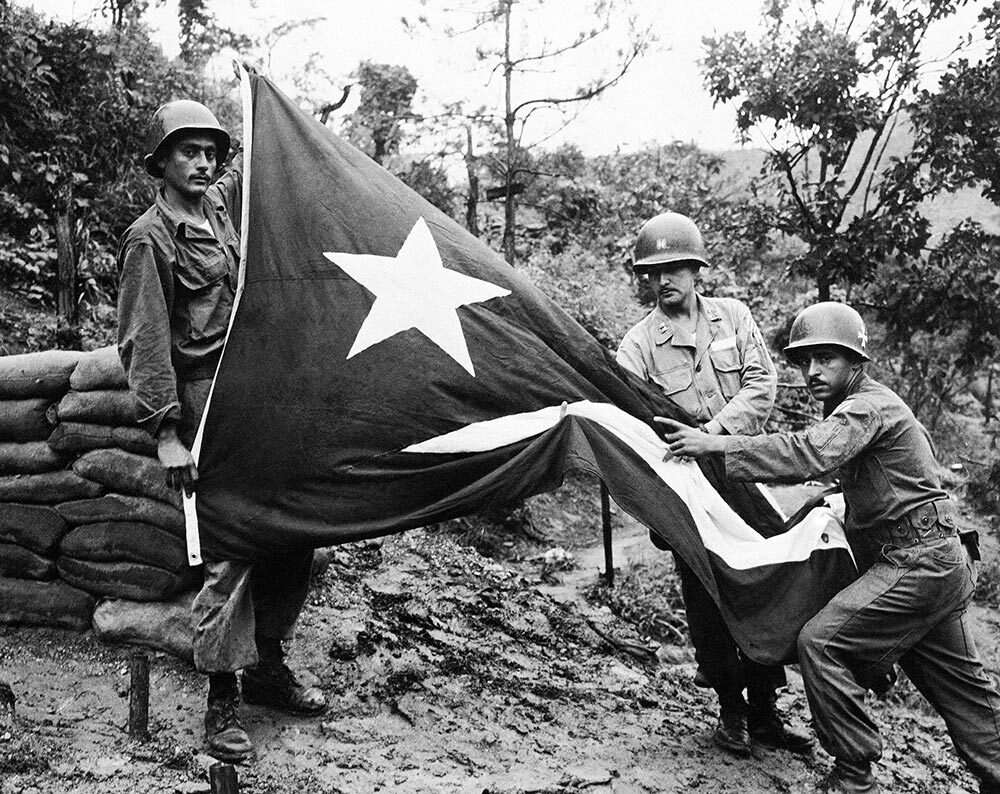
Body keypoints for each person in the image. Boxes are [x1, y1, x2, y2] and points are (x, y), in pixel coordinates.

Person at [658, 301, 1000, 794]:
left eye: (826, 359)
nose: (812, 371)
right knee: (969, 700)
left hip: (918, 563)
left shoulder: (866, 406)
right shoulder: (864, 407)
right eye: (804, 361)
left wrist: (717, 445)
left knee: (821, 644)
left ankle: (853, 777)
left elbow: (810, 452)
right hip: (937, 564)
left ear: (856, 362)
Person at [117, 98, 326, 763]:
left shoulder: (217, 214)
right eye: (189, 151)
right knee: (232, 547)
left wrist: (268, 109)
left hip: (253, 398)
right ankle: (222, 696)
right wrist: (165, 431)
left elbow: (262, 166)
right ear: (161, 163)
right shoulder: (151, 236)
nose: (204, 162)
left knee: (297, 537)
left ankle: (266, 664)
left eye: (212, 151)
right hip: (202, 404)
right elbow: (144, 340)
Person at [616, 211, 812, 757]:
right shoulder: (636, 347)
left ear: (697, 269)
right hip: (690, 492)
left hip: (748, 475)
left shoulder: (733, 317)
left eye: (675, 268)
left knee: (765, 586)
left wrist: (714, 434)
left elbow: (762, 382)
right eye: (653, 272)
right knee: (708, 597)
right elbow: (634, 425)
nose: (664, 281)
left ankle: (767, 710)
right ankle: (732, 712)